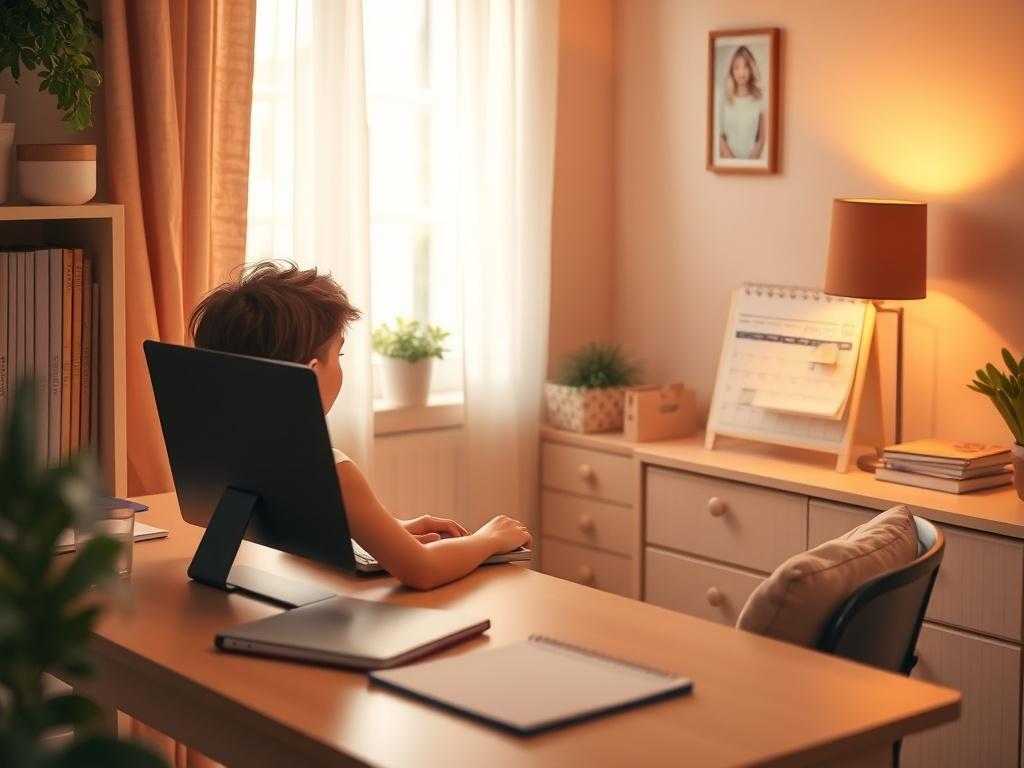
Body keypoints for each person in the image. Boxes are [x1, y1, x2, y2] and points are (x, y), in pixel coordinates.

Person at [187, 261, 532, 590]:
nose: (340, 367)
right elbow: (422, 569)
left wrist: (392, 530)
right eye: (338, 355)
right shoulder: (327, 467)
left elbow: (301, 522)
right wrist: (488, 539)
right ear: (309, 374)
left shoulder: (231, 446)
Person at [718, 45, 766, 161]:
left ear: (751, 69)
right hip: (727, 166)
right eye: (737, 67)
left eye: (746, 67)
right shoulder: (724, 98)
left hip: (752, 165)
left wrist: (749, 164)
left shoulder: (760, 99)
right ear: (731, 70)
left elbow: (762, 138)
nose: (741, 72)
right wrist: (733, 164)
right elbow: (720, 136)